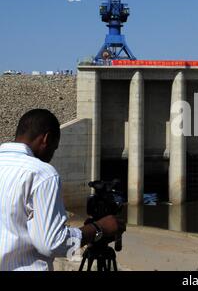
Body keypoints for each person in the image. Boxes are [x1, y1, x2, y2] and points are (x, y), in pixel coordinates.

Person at [0, 109, 125, 271]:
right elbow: (53, 244)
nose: (52, 155)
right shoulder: (42, 173)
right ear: (46, 138)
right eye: (54, 148)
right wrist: (99, 228)